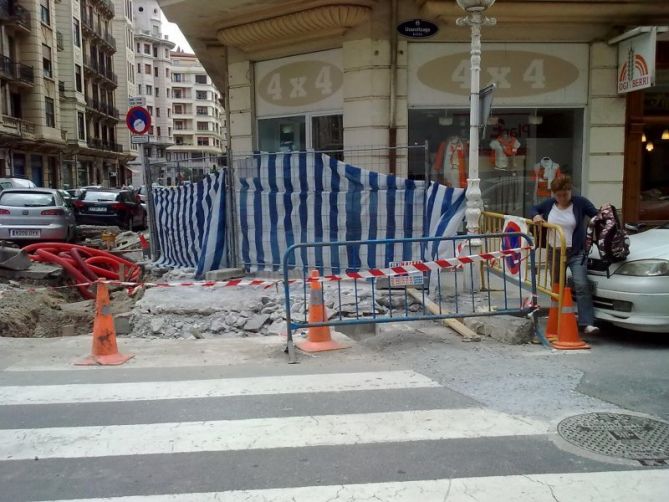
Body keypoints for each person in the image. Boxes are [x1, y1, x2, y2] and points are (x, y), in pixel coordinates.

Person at [530, 175, 600, 335]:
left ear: (570, 191)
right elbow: (533, 208)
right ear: (553, 194)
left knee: (581, 284)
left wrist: (596, 224)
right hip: (554, 251)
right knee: (556, 286)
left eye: (565, 194)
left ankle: (587, 322)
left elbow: (596, 215)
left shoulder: (580, 203)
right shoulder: (549, 204)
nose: (562, 198)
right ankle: (558, 317)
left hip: (576, 252)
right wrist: (536, 215)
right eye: (558, 195)